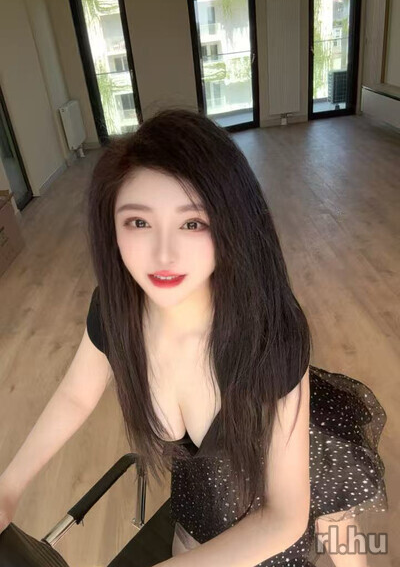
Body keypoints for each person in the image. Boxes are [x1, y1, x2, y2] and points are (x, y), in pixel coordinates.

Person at [0, 108, 388, 567]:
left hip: (290, 484)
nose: (163, 255)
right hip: (201, 510)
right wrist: (7, 488)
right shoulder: (116, 310)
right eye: (138, 222)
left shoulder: (273, 336)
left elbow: (283, 516)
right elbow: (74, 397)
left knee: (341, 535)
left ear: (231, 224)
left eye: (192, 223)